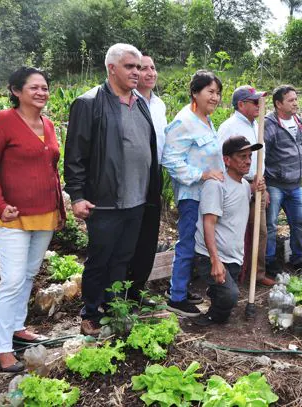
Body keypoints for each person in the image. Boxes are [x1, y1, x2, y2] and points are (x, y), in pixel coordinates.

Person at [64, 43, 161, 336]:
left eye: (140, 67)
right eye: (130, 67)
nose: (138, 72)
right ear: (112, 68)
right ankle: (90, 312)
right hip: (105, 202)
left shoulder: (140, 103)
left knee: (123, 257)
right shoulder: (90, 103)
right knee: (100, 259)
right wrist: (77, 196)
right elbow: (75, 155)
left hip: (137, 200)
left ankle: (114, 304)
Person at [0, 66, 66, 371]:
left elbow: (51, 169)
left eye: (45, 87)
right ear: (16, 91)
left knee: (29, 274)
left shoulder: (49, 124)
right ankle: (2, 350)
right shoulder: (2, 121)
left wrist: (60, 207)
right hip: (13, 214)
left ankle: (17, 327)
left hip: (45, 212)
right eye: (34, 87)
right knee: (12, 280)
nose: (42, 92)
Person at [162, 70, 224, 317]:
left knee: (196, 241)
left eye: (218, 93)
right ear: (195, 93)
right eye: (210, 92)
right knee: (187, 241)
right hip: (191, 193)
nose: (215, 97)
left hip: (206, 193)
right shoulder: (184, 121)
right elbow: (170, 159)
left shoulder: (207, 120)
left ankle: (181, 288)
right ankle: (176, 297)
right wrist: (202, 174)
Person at [191, 136, 264, 326]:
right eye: (242, 156)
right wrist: (215, 260)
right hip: (211, 256)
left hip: (233, 256)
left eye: (249, 156)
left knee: (226, 293)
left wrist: (258, 190)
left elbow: (240, 206)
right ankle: (209, 316)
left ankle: (215, 293)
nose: (247, 161)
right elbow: (209, 223)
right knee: (230, 297)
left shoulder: (245, 186)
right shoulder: (216, 185)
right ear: (227, 160)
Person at [217, 86, 275, 287]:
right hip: (237, 185)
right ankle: (231, 275)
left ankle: (256, 275)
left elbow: (260, 159)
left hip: (256, 184)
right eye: (254, 101)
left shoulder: (255, 126)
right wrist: (238, 185)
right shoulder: (229, 127)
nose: (260, 105)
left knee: (260, 231)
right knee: (236, 231)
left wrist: (262, 186)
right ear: (241, 104)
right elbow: (221, 160)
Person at [126, 52, 167, 305]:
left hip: (156, 173)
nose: (150, 73)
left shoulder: (159, 104)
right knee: (130, 234)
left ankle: (137, 292)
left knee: (149, 234)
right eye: (143, 68)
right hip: (133, 174)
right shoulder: (128, 101)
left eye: (153, 67)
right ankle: (120, 293)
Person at [264, 85, 302, 274]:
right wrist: (263, 185)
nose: (295, 103)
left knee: (299, 222)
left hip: (295, 185)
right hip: (275, 184)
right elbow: (261, 156)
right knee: (270, 225)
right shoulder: (269, 124)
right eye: (291, 100)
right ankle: (269, 261)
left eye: (296, 99)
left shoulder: (299, 122)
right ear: (278, 104)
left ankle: (299, 258)